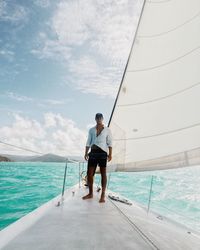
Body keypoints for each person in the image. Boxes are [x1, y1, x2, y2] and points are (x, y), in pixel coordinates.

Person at [82, 113, 112, 203]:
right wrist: (86, 153)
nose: (98, 119)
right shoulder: (91, 130)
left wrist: (110, 154)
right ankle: (90, 193)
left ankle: (103, 194)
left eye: (100, 118)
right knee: (90, 173)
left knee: (103, 174)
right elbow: (88, 142)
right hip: (93, 153)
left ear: (102, 119)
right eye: (97, 118)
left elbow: (110, 143)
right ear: (95, 119)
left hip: (103, 153)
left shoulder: (107, 130)